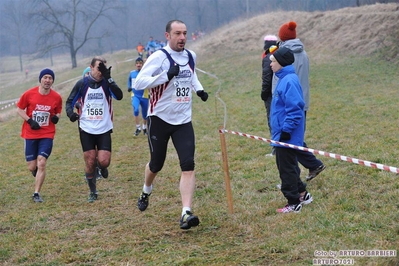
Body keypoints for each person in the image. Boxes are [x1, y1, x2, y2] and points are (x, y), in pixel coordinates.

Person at [134, 19, 209, 230]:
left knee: (188, 164)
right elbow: (138, 83)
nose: (182, 37)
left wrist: (199, 89)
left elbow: (191, 75)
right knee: (156, 164)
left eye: (185, 33)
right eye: (177, 33)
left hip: (183, 121)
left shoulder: (190, 56)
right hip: (159, 119)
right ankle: (146, 190)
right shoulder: (159, 57)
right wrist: (165, 76)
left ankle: (186, 212)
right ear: (168, 36)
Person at [65, 56, 123, 203]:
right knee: (90, 162)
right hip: (86, 128)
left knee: (104, 161)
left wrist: (109, 79)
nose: (101, 71)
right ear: (91, 67)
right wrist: (70, 113)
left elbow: (120, 96)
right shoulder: (82, 84)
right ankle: (93, 191)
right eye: (99, 68)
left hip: (104, 128)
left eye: (104, 67)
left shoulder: (107, 83)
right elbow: (69, 101)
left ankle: (102, 167)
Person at [277, 21, 326, 181]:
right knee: (294, 138)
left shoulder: (285, 55)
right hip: (303, 100)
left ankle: (301, 174)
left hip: (290, 102)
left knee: (290, 141)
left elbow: (283, 79)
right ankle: (312, 166)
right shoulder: (303, 53)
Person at [269, 47, 313, 213]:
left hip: (286, 136)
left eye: (273, 61)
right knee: (290, 166)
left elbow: (295, 109)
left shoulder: (289, 81)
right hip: (282, 134)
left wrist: (286, 130)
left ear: (281, 62)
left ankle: (294, 203)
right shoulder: (284, 78)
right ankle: (303, 194)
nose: (270, 64)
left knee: (286, 169)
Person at [16, 68, 62, 203]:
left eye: (50, 78)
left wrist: (56, 118)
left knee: (42, 162)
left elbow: (58, 111)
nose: (47, 80)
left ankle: (36, 193)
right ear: (41, 79)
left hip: (47, 133)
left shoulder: (56, 97)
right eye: (45, 77)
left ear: (53, 81)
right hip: (30, 134)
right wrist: (29, 120)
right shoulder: (29, 94)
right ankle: (35, 172)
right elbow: (19, 109)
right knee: (32, 166)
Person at [261, 35, 278, 139]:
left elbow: (267, 77)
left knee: (272, 119)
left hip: (271, 94)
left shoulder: (267, 57)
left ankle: (275, 147)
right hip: (277, 91)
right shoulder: (279, 53)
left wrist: (264, 93)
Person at [127, 57, 149, 136]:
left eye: (140, 63)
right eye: (137, 63)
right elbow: (129, 80)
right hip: (135, 95)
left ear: (142, 64)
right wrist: (129, 87)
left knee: (145, 113)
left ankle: (144, 128)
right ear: (135, 65)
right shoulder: (132, 73)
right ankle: (138, 128)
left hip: (144, 95)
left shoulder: (146, 73)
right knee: (136, 109)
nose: (138, 65)